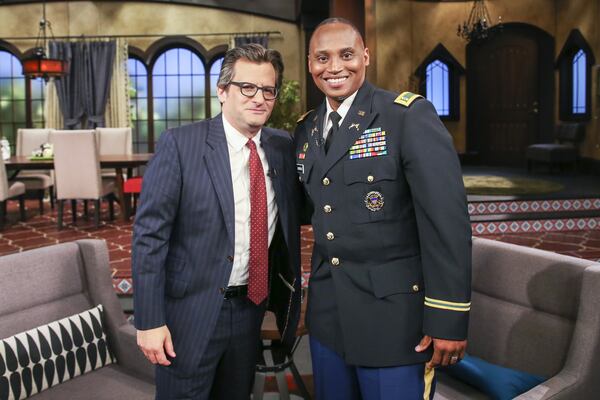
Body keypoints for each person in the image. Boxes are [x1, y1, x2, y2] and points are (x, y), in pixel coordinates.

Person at [294, 18, 472, 399]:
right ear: (310, 64)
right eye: (322, 58)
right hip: (328, 319)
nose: (335, 67)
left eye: (346, 55)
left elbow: (446, 224)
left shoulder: (405, 116)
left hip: (395, 320)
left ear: (366, 56)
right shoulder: (306, 130)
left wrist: (449, 317)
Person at [132, 43, 301, 400]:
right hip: (189, 312)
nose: (259, 98)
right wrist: (148, 320)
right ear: (222, 91)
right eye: (247, 88)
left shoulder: (282, 147)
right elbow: (149, 237)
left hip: (249, 308)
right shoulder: (181, 144)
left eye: (268, 90)